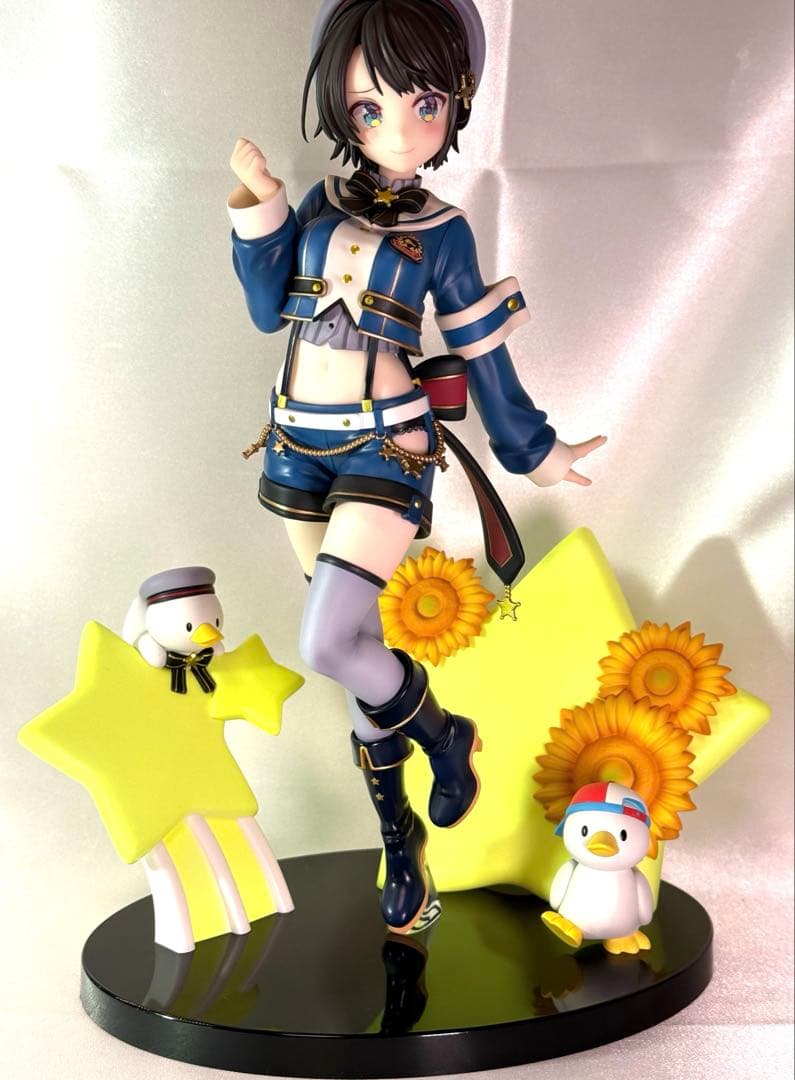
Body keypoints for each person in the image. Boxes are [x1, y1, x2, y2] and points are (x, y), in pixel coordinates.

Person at [227, 0, 605, 934]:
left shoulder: (444, 231)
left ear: (455, 102)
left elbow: (482, 350)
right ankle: (402, 841)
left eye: (423, 103)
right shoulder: (320, 205)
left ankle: (441, 735)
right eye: (370, 107)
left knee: (328, 643)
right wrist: (263, 205)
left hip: (384, 447)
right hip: (295, 446)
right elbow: (266, 310)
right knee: (357, 656)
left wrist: (536, 450)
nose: (398, 129)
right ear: (339, 105)